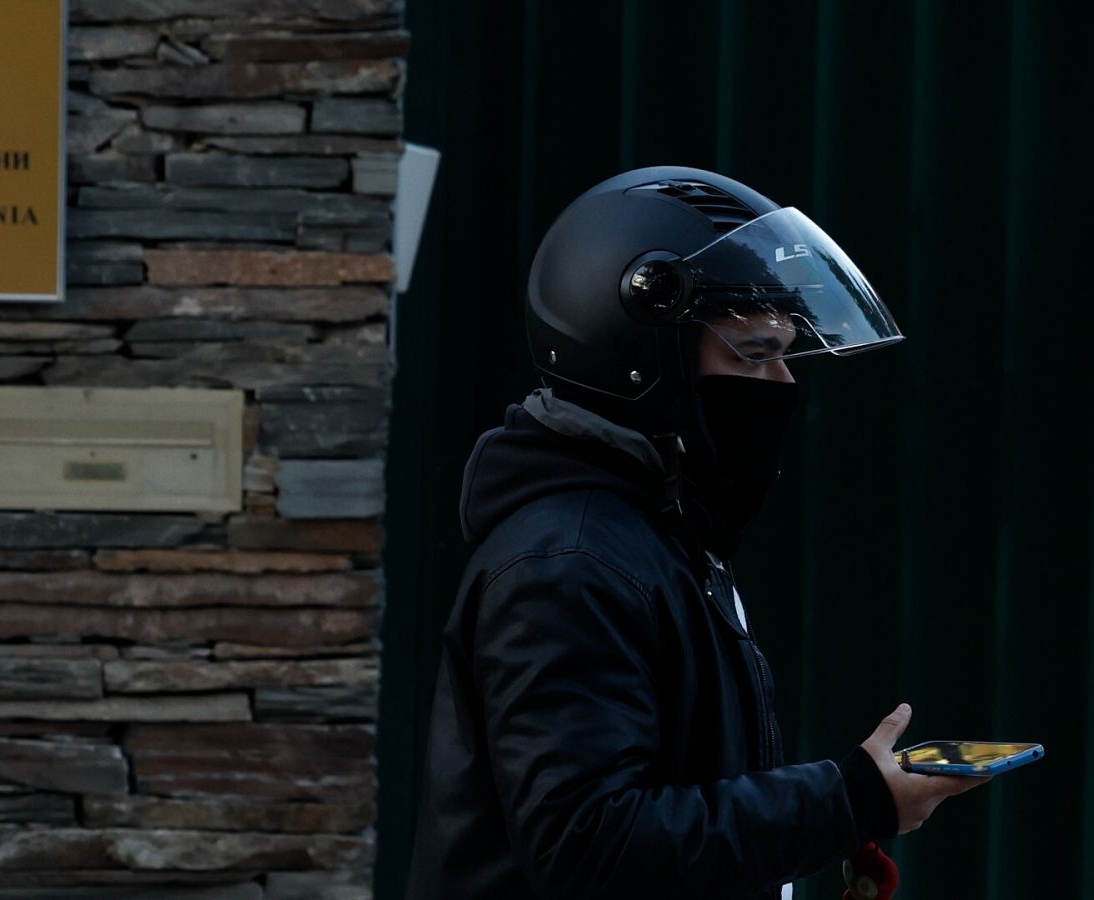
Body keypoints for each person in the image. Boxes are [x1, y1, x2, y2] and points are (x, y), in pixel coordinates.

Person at [405, 167, 989, 899]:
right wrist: (847, 799)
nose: (781, 385)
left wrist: (834, 824)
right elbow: (591, 844)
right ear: (643, 364)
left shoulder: (659, 535)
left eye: (784, 352)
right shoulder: (570, 564)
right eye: (752, 353)